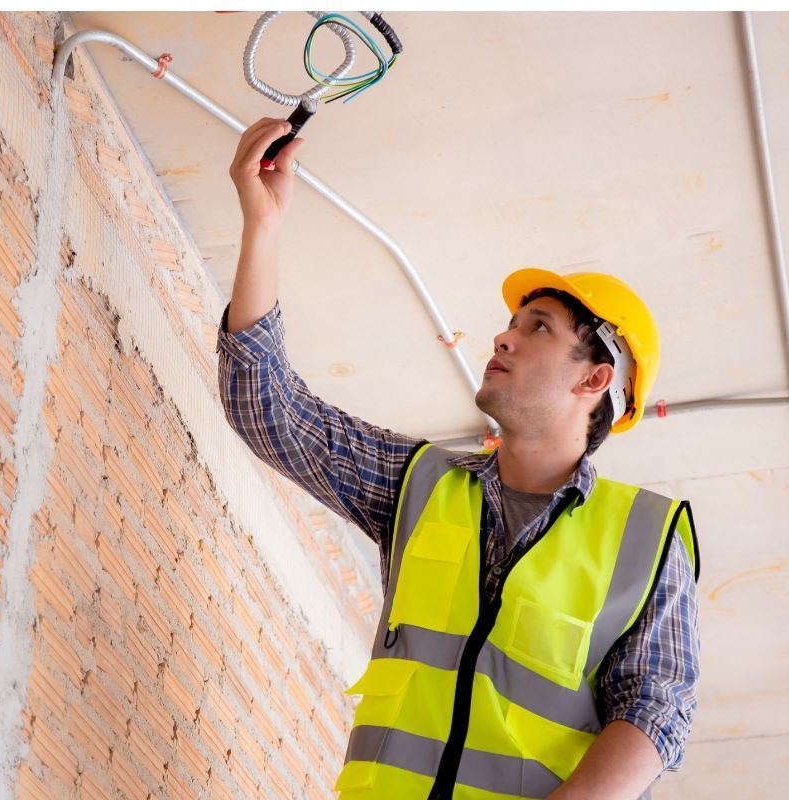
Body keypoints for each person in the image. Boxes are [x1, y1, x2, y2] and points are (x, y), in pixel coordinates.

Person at [216, 117, 700, 800]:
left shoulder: (645, 542)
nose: (503, 336)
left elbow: (656, 712)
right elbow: (268, 409)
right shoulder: (418, 484)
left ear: (594, 380)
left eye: (539, 327)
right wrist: (261, 226)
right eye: (513, 322)